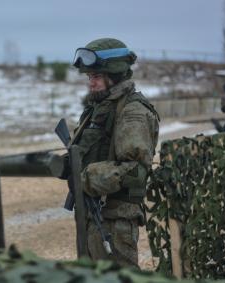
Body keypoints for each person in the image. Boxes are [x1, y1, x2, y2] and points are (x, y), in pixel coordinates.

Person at [69, 38, 159, 267]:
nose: (91, 83)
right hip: (92, 215)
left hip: (115, 220)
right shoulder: (98, 110)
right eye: (89, 77)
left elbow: (136, 171)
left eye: (96, 77)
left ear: (115, 74)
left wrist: (88, 177)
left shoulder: (132, 112)